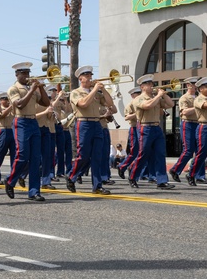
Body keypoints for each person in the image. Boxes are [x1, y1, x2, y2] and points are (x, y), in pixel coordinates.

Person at [66, 66, 118, 195]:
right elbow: (83, 104)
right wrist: (95, 89)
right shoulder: (75, 92)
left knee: (97, 156)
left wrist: (103, 90)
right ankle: (71, 176)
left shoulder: (96, 93)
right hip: (83, 124)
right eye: (87, 76)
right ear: (80, 78)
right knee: (83, 155)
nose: (90, 78)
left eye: (91, 75)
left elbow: (110, 104)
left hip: (97, 124)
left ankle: (97, 186)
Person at [5, 62, 51, 201]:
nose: (26, 76)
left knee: (36, 159)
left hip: (33, 122)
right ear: (17, 75)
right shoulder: (13, 89)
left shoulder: (31, 88)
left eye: (27, 73)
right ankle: (10, 180)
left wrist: (41, 87)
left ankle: (34, 191)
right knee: (22, 154)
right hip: (21, 122)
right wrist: (32, 89)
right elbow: (19, 104)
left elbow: (46, 103)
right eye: (23, 73)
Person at [127, 75, 174, 190]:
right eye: (148, 84)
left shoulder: (155, 97)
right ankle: (133, 176)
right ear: (142, 87)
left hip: (156, 127)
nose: (151, 86)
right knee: (143, 154)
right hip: (145, 127)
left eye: (151, 84)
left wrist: (164, 94)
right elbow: (148, 105)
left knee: (160, 154)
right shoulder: (138, 99)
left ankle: (162, 181)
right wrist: (158, 96)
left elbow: (171, 104)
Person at [169, 77, 207, 184]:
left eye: (196, 83)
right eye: (193, 83)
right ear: (188, 85)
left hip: (198, 123)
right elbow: (185, 112)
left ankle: (199, 175)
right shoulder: (184, 98)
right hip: (188, 124)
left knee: (200, 151)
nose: (196, 85)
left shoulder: (200, 97)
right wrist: (199, 106)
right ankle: (175, 169)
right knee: (188, 150)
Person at [117, 86, 141, 179]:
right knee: (134, 151)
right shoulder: (130, 105)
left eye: (140, 93)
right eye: (137, 94)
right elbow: (126, 117)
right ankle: (122, 166)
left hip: (142, 127)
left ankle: (145, 173)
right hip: (134, 128)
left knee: (144, 151)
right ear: (132, 96)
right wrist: (137, 113)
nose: (139, 95)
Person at [0, 94, 15, 186]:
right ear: (1, 100)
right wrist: (11, 106)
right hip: (3, 130)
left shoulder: (12, 108)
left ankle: (12, 177)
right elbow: (1, 116)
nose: (6, 101)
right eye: (4, 99)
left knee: (14, 156)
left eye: (7, 99)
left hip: (12, 130)